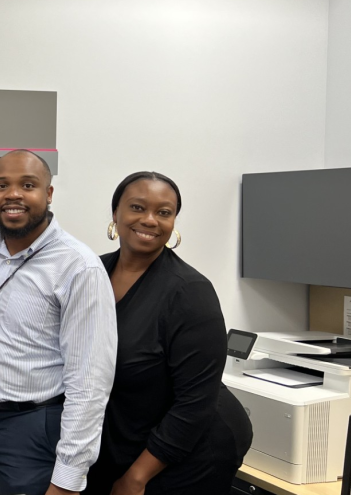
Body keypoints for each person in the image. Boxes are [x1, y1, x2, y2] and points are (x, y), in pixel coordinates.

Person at [83, 172, 252, 495]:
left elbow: (195, 402)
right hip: (125, 435)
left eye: (164, 212)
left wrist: (137, 477)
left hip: (186, 451)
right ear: (115, 213)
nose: (150, 220)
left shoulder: (190, 293)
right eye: (137, 207)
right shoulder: (92, 273)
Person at [0, 150, 117, 495]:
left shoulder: (79, 267)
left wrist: (68, 478)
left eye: (28, 185)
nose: (13, 194)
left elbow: (90, 381)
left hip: (36, 429)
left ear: (48, 194)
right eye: (1, 185)